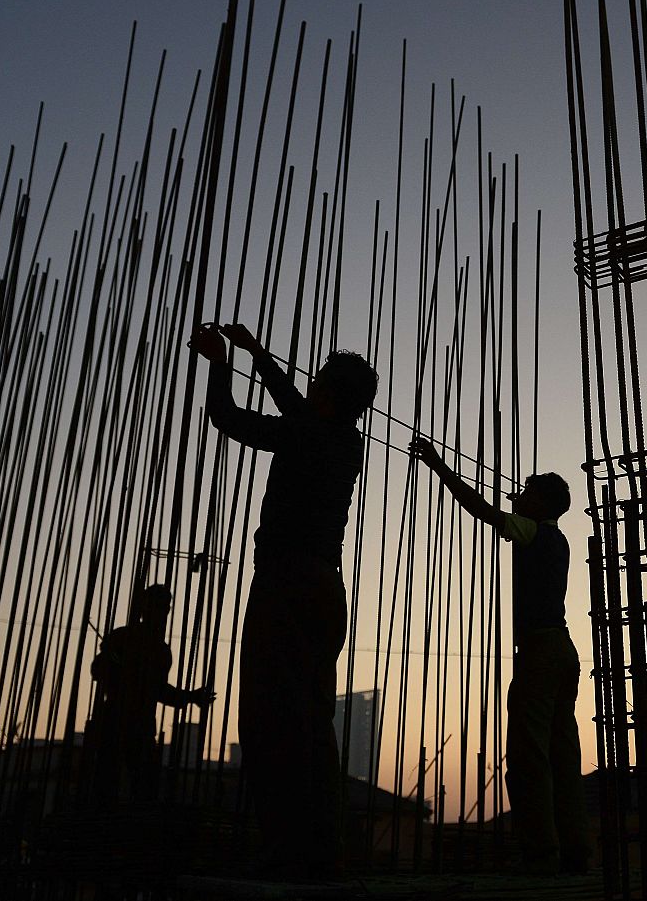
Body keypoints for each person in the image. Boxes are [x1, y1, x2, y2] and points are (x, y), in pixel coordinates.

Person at [190, 323, 377, 879]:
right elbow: (299, 407)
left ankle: (289, 849)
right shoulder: (345, 441)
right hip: (324, 589)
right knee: (310, 719)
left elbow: (229, 420)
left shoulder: (311, 436)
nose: (310, 387)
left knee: (273, 716)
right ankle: (321, 847)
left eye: (317, 382)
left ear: (327, 394)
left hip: (287, 587)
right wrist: (256, 354)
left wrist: (222, 363)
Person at [409, 439, 589, 875]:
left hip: (540, 653)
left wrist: (438, 465)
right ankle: (575, 855)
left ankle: (541, 858)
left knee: (528, 760)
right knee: (563, 759)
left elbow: (482, 510)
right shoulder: (557, 537)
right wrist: (522, 505)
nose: (519, 494)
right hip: (563, 651)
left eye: (527, 490)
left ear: (541, 502)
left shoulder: (533, 530)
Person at [82, 583, 215, 804]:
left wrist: (190, 697)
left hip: (142, 725)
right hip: (113, 719)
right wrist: (117, 663)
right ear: (145, 608)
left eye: (166, 607)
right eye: (158, 606)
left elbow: (158, 690)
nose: (163, 612)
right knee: (105, 785)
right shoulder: (122, 638)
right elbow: (97, 669)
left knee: (144, 787)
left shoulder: (161, 651)